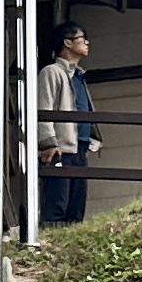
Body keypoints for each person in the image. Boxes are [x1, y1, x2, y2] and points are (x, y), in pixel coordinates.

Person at [37, 21, 95, 228]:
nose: (87, 43)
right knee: (57, 204)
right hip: (60, 148)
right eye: (82, 38)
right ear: (67, 43)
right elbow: (43, 106)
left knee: (76, 206)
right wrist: (48, 142)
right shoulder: (52, 72)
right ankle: (51, 239)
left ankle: (71, 240)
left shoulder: (78, 76)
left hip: (80, 147)